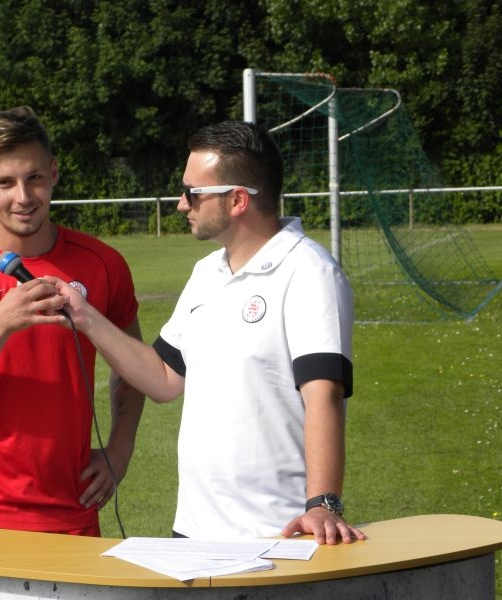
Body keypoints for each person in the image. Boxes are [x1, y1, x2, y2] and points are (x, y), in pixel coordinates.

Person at [48, 120, 366, 545]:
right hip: (193, 532)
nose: (182, 204)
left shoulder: (310, 272)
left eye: (193, 193)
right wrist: (85, 316)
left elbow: (323, 395)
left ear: (237, 200)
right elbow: (163, 378)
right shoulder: (206, 272)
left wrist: (323, 504)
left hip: (276, 534)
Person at [0, 106, 145, 536]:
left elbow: (135, 367)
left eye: (34, 177)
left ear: (53, 172)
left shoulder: (103, 263)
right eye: (5, 182)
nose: (23, 196)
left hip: (72, 510)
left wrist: (120, 449)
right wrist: (0, 323)